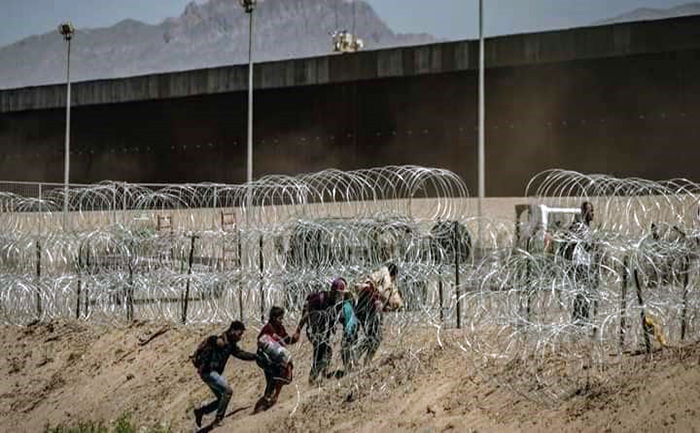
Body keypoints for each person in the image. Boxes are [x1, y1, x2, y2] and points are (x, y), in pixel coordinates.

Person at [190, 321, 257, 427]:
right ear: (233, 331)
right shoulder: (220, 340)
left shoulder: (230, 344)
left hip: (210, 373)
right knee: (228, 391)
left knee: (221, 398)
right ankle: (218, 420)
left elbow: (241, 354)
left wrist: (255, 356)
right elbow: (211, 342)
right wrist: (216, 343)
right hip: (208, 372)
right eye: (239, 334)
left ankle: (201, 411)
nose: (240, 337)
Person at [295, 277, 349, 384]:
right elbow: (306, 315)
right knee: (323, 350)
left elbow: (339, 317)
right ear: (333, 292)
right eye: (339, 294)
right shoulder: (321, 299)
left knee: (324, 351)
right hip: (314, 329)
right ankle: (316, 377)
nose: (341, 296)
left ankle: (318, 375)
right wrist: (298, 330)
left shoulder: (337, 303)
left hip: (325, 330)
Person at [254, 306, 300, 413]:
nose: (281, 320)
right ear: (274, 317)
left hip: (276, 358)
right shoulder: (267, 328)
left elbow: (286, 339)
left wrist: (294, 339)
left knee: (280, 377)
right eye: (280, 318)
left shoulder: (280, 327)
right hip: (265, 358)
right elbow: (261, 343)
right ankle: (264, 405)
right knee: (272, 378)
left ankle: (270, 399)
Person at [355, 263, 402, 365]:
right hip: (370, 310)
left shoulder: (376, 277)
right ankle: (361, 358)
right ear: (392, 275)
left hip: (365, 309)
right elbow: (385, 293)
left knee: (372, 336)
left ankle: (360, 357)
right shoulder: (385, 278)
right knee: (375, 336)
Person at [563, 201, 596, 325]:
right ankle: (579, 318)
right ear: (583, 212)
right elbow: (570, 242)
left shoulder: (588, 228)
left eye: (592, 211)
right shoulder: (578, 226)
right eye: (590, 211)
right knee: (581, 292)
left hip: (586, 263)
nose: (592, 213)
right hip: (579, 263)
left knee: (585, 292)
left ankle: (583, 317)